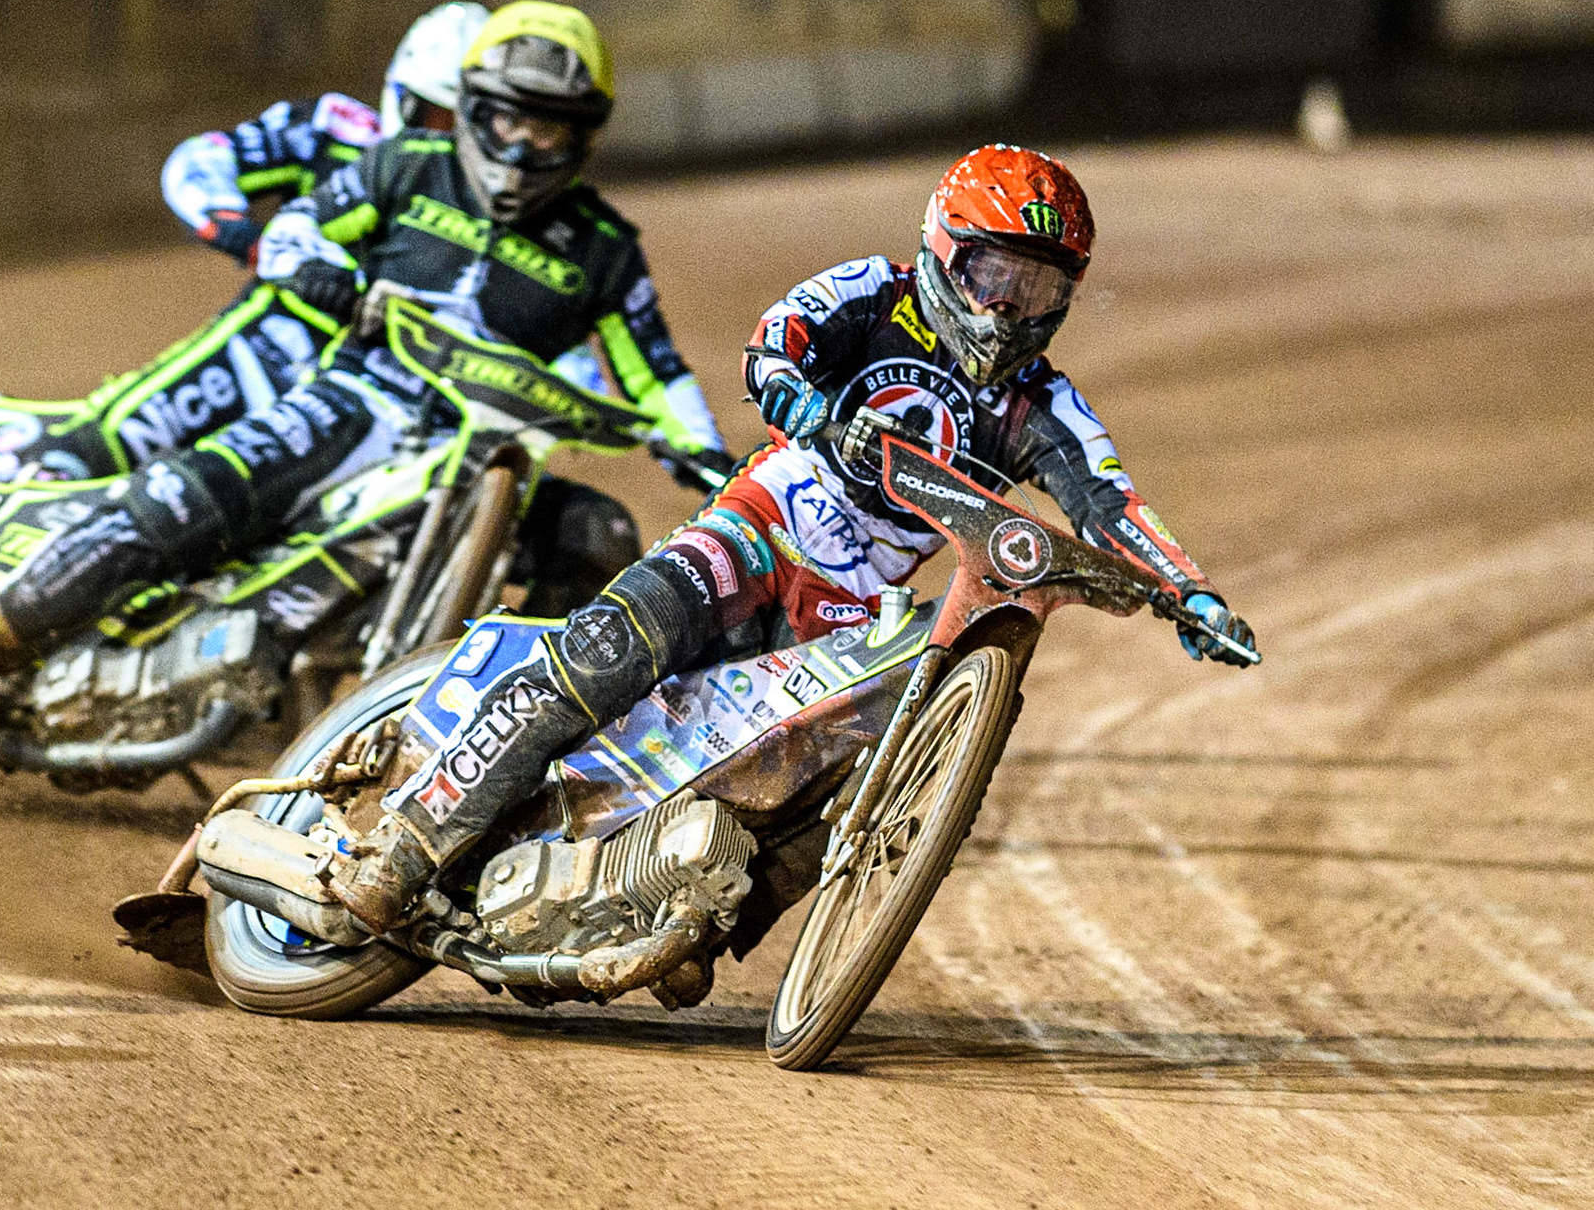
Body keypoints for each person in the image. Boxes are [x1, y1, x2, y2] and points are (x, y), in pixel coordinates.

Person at [309, 143, 1259, 937]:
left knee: (828, 790)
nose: (1009, 305)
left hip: (854, 613)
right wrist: (809, 409)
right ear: (943, 250)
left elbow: (1108, 500)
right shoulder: (871, 292)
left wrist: (1194, 593)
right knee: (613, 645)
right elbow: (774, 343)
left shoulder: (1043, 403)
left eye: (1038, 284)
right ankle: (405, 846)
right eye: (992, 274)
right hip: (763, 524)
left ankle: (688, 920)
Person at [0, 1, 731, 708]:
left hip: (487, 455)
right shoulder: (400, 165)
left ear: (582, 137)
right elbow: (300, 222)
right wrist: (314, 268)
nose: (520, 149)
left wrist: (703, 456)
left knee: (599, 532)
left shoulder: (605, 248)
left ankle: (523, 725)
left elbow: (654, 369)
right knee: (184, 489)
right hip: (357, 399)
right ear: (471, 107)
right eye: (506, 118)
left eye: (546, 130)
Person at [162, 1, 490, 268]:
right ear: (402, 94)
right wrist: (233, 225)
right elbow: (199, 158)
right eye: (436, 117)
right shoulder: (332, 131)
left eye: (461, 126)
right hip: (296, 330)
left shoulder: (506, 197)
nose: (440, 137)